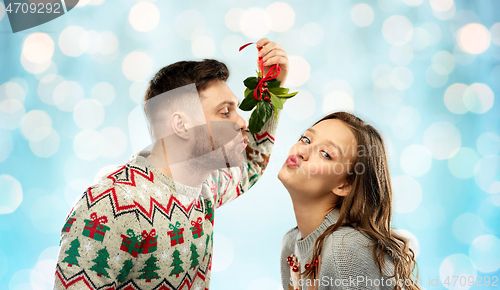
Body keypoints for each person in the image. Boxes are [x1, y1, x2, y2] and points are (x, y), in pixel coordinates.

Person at [53, 38, 289, 289]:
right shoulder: (109, 205)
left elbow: (251, 163)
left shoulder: (205, 186)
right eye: (225, 112)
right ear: (182, 125)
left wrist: (272, 87)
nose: (242, 123)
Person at [278, 112, 421, 290]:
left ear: (344, 185)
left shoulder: (345, 249)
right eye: (306, 139)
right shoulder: (291, 244)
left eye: (325, 154)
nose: (302, 151)